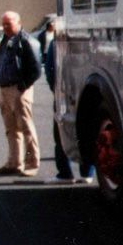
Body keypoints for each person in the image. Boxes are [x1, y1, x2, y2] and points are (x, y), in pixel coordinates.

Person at [0, 10, 42, 177]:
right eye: (3, 24)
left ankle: (31, 163)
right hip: (4, 89)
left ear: (18, 23)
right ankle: (14, 163)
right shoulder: (6, 40)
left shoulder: (26, 41)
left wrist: (23, 86)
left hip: (18, 90)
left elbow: (35, 69)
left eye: (8, 24)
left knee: (26, 128)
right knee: (10, 129)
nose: (5, 27)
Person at [39, 20, 93, 185]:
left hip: (64, 93)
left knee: (60, 132)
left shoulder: (57, 43)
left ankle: (65, 173)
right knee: (87, 130)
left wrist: (55, 90)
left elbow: (49, 70)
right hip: (85, 93)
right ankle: (87, 173)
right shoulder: (89, 42)